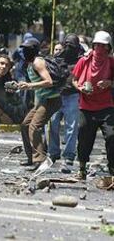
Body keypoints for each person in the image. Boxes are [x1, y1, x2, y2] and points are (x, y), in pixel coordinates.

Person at [72, 31, 114, 180]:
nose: (99, 49)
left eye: (103, 46)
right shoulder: (84, 61)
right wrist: (80, 88)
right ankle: (82, 168)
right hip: (86, 106)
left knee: (111, 135)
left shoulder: (111, 62)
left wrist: (110, 83)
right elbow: (74, 80)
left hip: (106, 106)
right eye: (97, 45)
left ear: (108, 48)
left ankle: (112, 169)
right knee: (84, 136)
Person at [18, 39, 62, 169]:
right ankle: (31, 157)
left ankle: (40, 159)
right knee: (25, 125)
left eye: (28, 49)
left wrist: (30, 85)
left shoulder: (38, 62)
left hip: (52, 100)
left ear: (35, 49)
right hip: (42, 100)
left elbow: (48, 82)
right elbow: (35, 85)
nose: (25, 51)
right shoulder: (29, 64)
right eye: (24, 48)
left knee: (34, 126)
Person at [48, 34, 82, 169]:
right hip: (56, 95)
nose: (69, 48)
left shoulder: (81, 60)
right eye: (66, 45)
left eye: (72, 46)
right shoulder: (57, 58)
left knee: (71, 127)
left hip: (73, 96)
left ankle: (69, 155)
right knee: (52, 124)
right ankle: (53, 152)